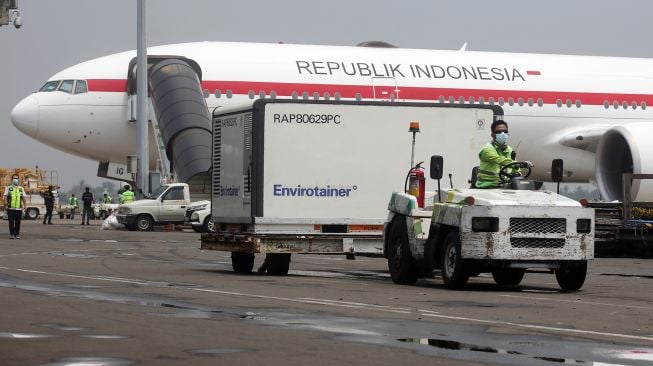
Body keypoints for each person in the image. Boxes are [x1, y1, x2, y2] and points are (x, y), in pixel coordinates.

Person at [475, 120, 532, 189]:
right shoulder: (487, 149)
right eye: (498, 132)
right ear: (492, 134)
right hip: (487, 186)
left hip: (504, 186)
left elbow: (514, 166)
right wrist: (519, 164)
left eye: (505, 131)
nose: (502, 134)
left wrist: (517, 173)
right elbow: (500, 160)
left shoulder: (509, 149)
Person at [4, 174, 27, 239]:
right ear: (12, 179)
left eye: (16, 178)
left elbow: (23, 197)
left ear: (18, 179)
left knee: (18, 222)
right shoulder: (8, 188)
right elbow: (5, 196)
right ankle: (12, 234)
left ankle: (17, 234)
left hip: (18, 208)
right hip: (10, 208)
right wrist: (5, 204)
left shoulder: (21, 188)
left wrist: (25, 205)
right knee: (11, 222)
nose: (15, 180)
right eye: (14, 178)